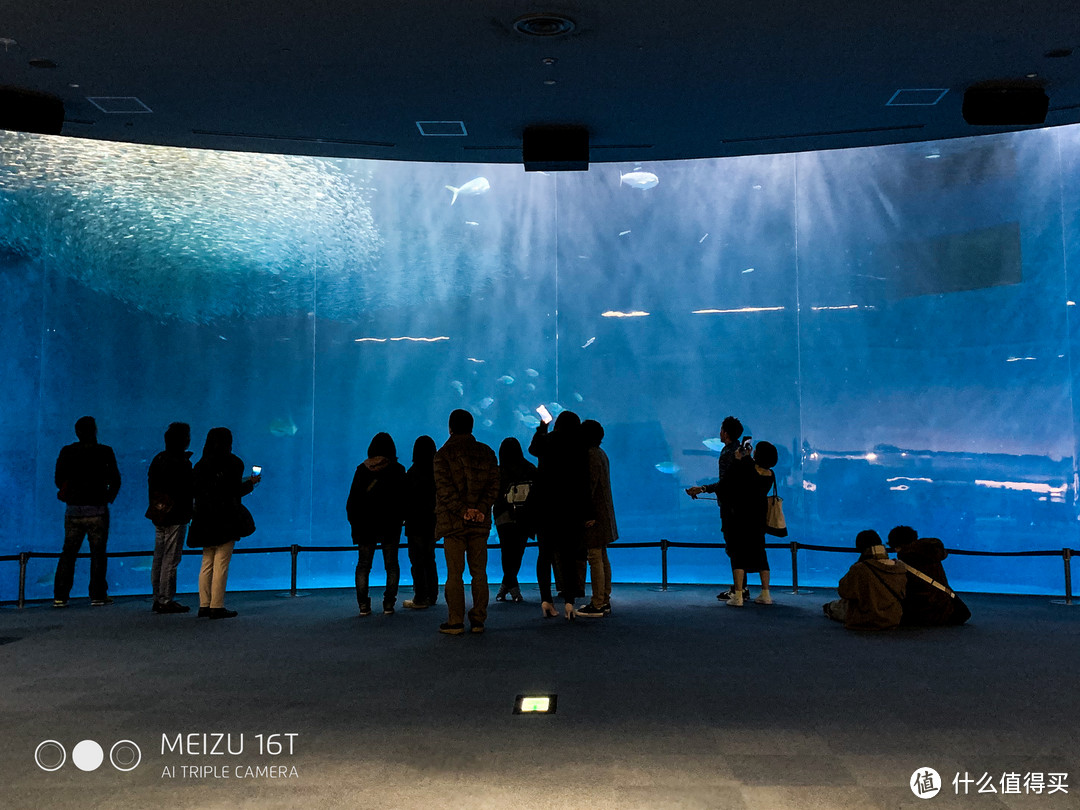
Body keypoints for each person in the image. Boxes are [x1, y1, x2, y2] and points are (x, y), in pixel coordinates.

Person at [433, 409, 500, 635]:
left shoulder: (442, 454)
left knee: (454, 573)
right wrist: (480, 509)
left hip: (453, 524)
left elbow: (444, 490)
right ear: (472, 427)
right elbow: (494, 486)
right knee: (479, 572)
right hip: (479, 523)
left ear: (450, 428)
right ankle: (479, 620)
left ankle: (455, 621)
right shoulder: (487, 452)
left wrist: (463, 511)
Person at [187, 427, 259, 619]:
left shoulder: (200, 465)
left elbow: (200, 492)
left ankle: (204, 604)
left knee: (207, 562)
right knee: (222, 563)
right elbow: (233, 491)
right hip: (226, 519)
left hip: (204, 519)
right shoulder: (234, 463)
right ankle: (217, 606)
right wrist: (251, 483)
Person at [529, 410, 594, 620]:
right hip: (570, 509)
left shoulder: (547, 441)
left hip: (545, 507)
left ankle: (546, 600)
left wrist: (542, 427)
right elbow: (584, 482)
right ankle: (569, 602)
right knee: (568, 555)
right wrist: (587, 511)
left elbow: (533, 448)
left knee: (544, 555)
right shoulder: (580, 447)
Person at [53, 416, 122, 607]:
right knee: (98, 553)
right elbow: (115, 478)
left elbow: (58, 479)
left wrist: (70, 495)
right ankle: (98, 595)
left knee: (68, 553)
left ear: (76, 432)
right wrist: (107, 496)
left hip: (74, 510)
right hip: (98, 510)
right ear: (95, 431)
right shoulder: (105, 452)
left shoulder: (67, 452)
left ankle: (60, 595)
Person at [685, 416, 748, 603]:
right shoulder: (741, 451)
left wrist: (702, 488)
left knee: (734, 546)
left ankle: (739, 590)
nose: (720, 433)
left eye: (721, 430)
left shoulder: (728, 452)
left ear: (726, 433)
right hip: (742, 506)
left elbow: (727, 482)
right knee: (740, 546)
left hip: (731, 507)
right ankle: (741, 587)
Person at [346, 432, 408, 616]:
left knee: (363, 565)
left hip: (365, 525)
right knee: (392, 565)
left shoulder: (361, 470)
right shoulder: (398, 469)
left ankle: (363, 605)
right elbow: (403, 499)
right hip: (390, 524)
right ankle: (389, 604)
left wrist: (355, 523)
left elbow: (352, 502)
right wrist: (401, 518)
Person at [712, 439, 777, 606]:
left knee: (738, 554)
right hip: (759, 517)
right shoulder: (771, 474)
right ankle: (765, 593)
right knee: (761, 554)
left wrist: (738, 458)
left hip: (741, 516)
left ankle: (738, 595)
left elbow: (727, 482)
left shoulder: (747, 467)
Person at [145, 421, 195, 614]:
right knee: (171, 558)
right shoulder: (181, 462)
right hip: (176, 515)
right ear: (184, 440)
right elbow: (187, 489)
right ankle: (166, 600)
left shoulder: (158, 458)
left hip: (158, 513)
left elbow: (152, 485)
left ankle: (157, 597)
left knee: (159, 556)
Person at [575, 419, 618, 618]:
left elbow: (589, 486)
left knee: (594, 557)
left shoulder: (590, 455)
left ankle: (597, 602)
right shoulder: (601, 453)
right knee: (602, 556)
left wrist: (587, 514)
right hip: (605, 513)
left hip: (595, 515)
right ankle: (605, 598)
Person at [823, 530, 907, 630]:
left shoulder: (860, 569)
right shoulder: (899, 567)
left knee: (834, 606)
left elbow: (844, 591)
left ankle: (828, 608)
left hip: (865, 619)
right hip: (892, 618)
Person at [888, 525, 971, 626]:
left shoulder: (907, 558)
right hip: (947, 609)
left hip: (926, 613)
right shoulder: (929, 552)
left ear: (898, 545)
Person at [492, 437, 536, 603]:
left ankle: (509, 586)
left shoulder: (499, 471)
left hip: (504, 517)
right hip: (526, 516)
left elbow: (495, 495)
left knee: (507, 551)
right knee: (518, 552)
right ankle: (511, 587)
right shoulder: (530, 468)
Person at [403, 436, 439, 610]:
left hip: (415, 523)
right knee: (430, 559)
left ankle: (420, 597)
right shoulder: (437, 473)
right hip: (432, 522)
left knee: (417, 561)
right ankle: (432, 595)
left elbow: (405, 501)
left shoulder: (412, 472)